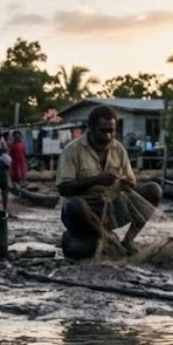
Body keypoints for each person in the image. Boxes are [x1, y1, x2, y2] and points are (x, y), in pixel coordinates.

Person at [56, 104, 149, 258]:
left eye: (111, 131)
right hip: (83, 214)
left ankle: (128, 240)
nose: (107, 136)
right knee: (74, 205)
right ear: (91, 128)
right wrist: (96, 180)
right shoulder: (72, 150)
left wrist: (127, 185)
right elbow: (63, 188)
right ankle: (107, 238)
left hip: (111, 210)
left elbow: (131, 183)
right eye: (102, 131)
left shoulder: (119, 149)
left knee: (153, 190)